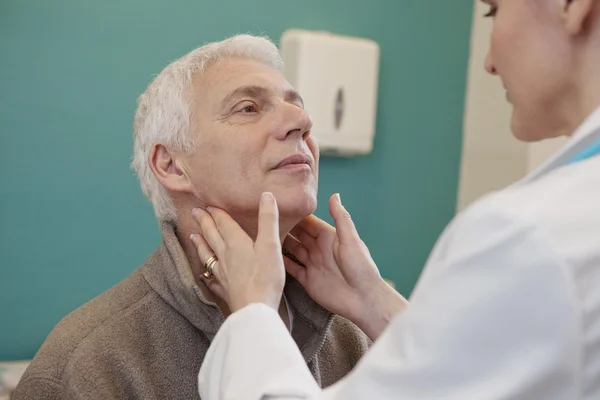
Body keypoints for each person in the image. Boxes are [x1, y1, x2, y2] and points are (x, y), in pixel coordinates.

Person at [193, 0, 600, 398]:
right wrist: (374, 302)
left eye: (495, 10)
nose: (489, 60)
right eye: (248, 108)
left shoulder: (531, 238)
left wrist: (251, 315)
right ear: (170, 164)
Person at [13, 35, 372, 400]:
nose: (302, 120)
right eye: (248, 108)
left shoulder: (358, 337)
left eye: (296, 105)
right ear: (170, 165)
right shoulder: (87, 367)